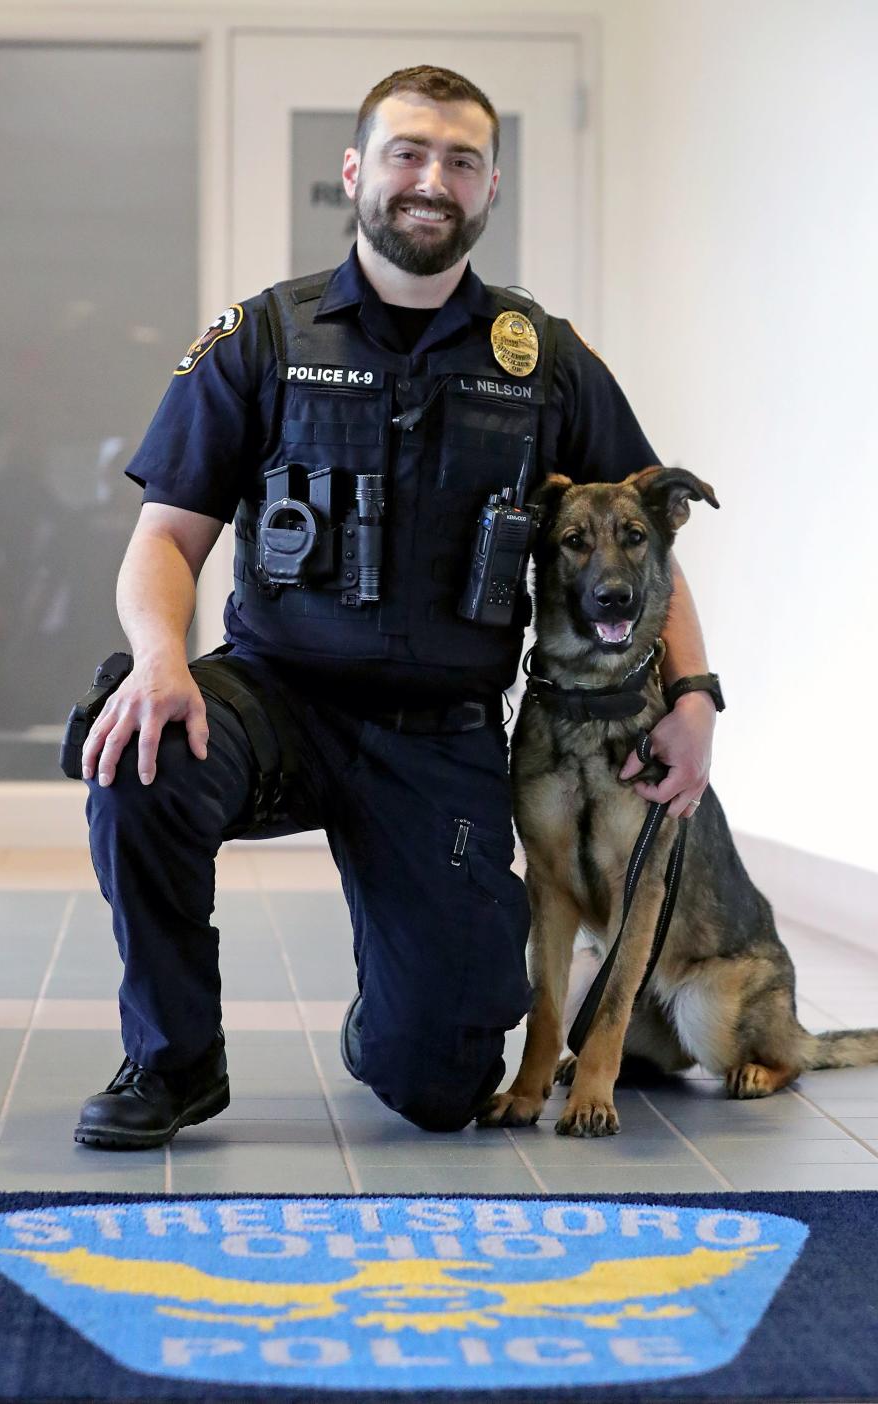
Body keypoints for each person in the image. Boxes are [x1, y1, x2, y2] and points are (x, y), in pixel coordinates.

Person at [75, 66, 718, 1150]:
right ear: (355, 172)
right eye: (408, 153)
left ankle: (404, 1011)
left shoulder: (544, 359)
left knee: (441, 1082)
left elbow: (645, 537)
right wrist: (157, 657)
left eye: (461, 161)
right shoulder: (262, 338)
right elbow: (166, 540)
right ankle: (174, 1059)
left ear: (490, 187)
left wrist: (693, 694)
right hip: (278, 698)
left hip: (441, 736)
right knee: (141, 751)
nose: (432, 179)